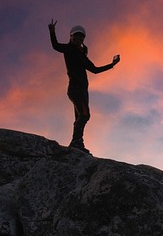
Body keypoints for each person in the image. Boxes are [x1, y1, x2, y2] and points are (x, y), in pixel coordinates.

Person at [48, 19, 120, 154]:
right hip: (74, 88)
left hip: (83, 89)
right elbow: (56, 46)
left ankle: (77, 143)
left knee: (80, 117)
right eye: (76, 35)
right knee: (85, 115)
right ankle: (76, 142)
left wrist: (112, 64)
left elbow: (95, 70)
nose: (79, 37)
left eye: (81, 36)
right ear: (71, 36)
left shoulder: (82, 56)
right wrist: (52, 32)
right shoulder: (68, 49)